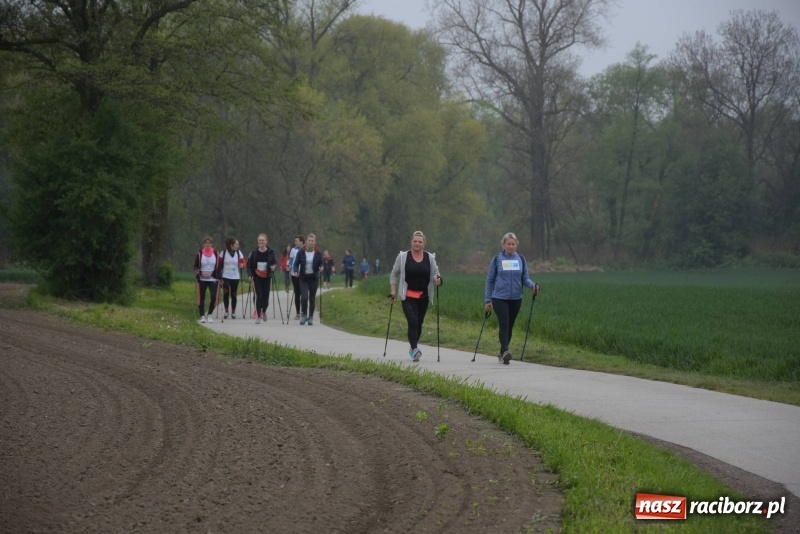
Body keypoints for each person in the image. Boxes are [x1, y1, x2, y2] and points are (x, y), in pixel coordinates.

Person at [484, 232, 540, 365]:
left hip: (516, 298)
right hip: (499, 297)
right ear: (503, 244)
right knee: (504, 324)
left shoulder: (521, 259)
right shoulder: (497, 259)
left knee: (510, 326)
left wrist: (533, 285)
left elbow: (524, 278)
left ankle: (502, 353)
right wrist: (487, 300)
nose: (510, 246)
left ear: (516, 245)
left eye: (513, 244)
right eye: (508, 244)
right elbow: (490, 280)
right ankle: (505, 352)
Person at [389, 231, 443, 362]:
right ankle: (414, 349)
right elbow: (394, 274)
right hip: (407, 295)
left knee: (419, 323)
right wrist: (393, 291)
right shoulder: (403, 257)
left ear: (424, 244)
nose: (417, 244)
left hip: (423, 296)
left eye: (420, 242)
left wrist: (438, 280)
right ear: (411, 242)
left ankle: (413, 347)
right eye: (415, 241)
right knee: (412, 321)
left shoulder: (430, 258)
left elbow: (436, 273)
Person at [247, 233, 278, 324]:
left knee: (266, 298)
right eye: (260, 240)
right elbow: (249, 265)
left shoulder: (271, 252)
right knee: (258, 296)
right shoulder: (254, 252)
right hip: (257, 276)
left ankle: (264, 310)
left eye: (263, 240)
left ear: (266, 242)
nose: (261, 242)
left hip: (267, 276)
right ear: (257, 241)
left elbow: (275, 262)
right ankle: (258, 315)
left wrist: (274, 267)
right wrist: (250, 275)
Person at [292, 233, 323, 325]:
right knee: (304, 297)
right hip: (303, 277)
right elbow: (296, 263)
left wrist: (321, 267)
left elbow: (321, 263)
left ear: (315, 242)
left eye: (312, 241)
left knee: (312, 298)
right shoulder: (301, 252)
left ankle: (311, 317)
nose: (310, 242)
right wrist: (296, 271)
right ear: (306, 241)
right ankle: (304, 315)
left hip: (314, 277)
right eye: (309, 240)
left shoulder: (318, 253)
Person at [192, 236, 223, 324]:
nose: (207, 244)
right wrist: (196, 270)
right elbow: (195, 265)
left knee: (214, 297)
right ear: (204, 244)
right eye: (206, 243)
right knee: (202, 297)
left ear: (211, 244)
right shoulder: (200, 253)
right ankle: (202, 316)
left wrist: (220, 278)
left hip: (213, 278)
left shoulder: (216, 253)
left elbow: (219, 267)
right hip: (202, 279)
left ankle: (209, 314)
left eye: (209, 243)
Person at [220, 237, 246, 319]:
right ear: (231, 245)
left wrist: (242, 265)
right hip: (225, 276)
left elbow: (243, 262)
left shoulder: (238, 253)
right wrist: (219, 276)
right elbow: (219, 263)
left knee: (234, 294)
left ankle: (233, 312)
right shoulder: (223, 253)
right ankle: (226, 311)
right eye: (236, 244)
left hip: (235, 276)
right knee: (226, 292)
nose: (238, 246)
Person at [289, 235, 304, 319]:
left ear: (302, 241)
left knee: (303, 293)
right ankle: (298, 312)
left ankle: (303, 311)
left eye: (297, 241)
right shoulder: (293, 250)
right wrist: (289, 266)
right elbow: (291, 260)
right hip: (294, 273)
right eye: (295, 241)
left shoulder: (305, 249)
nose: (295, 242)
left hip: (303, 274)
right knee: (297, 293)